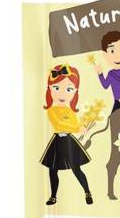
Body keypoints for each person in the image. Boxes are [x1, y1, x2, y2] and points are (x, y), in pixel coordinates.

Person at [40, 64, 93, 205]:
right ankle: (53, 196)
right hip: (57, 142)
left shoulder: (70, 112)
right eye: (56, 88)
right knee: (52, 170)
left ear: (74, 92)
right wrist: (78, 128)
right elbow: (59, 124)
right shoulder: (51, 110)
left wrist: (80, 127)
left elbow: (73, 124)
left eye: (69, 89)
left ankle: (87, 192)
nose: (62, 94)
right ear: (50, 89)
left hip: (69, 141)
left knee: (76, 169)